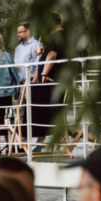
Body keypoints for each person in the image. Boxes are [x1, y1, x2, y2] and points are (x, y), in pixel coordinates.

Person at [34, 13, 68, 146]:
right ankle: (55, 140)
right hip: (58, 79)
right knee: (55, 110)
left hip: (51, 80)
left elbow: (52, 56)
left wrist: (43, 73)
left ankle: (41, 140)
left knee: (44, 108)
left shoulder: (57, 36)